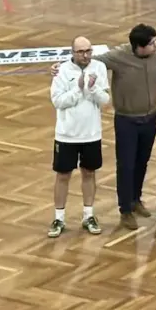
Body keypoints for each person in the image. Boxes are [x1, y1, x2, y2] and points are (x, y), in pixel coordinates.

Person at [89, 24, 156, 230]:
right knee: (126, 165)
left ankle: (136, 199)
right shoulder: (118, 56)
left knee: (142, 161)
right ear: (139, 46)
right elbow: (91, 62)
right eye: (152, 43)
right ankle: (125, 209)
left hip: (150, 118)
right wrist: (63, 67)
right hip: (127, 120)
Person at [48, 36, 110, 237]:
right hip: (66, 135)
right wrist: (78, 88)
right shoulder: (61, 71)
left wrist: (92, 89)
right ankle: (59, 218)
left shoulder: (99, 67)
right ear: (72, 53)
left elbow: (105, 99)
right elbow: (58, 101)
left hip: (91, 133)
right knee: (63, 175)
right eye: (81, 51)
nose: (86, 55)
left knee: (89, 173)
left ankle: (88, 215)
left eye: (89, 51)